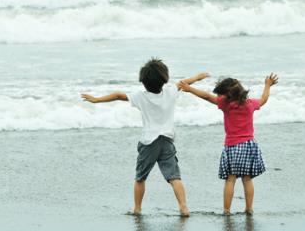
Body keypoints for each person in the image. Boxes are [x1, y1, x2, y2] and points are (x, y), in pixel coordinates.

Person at [81, 58, 209, 217]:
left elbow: (118, 95)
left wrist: (97, 99)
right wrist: (197, 77)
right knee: (174, 177)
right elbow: (183, 83)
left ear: (143, 82)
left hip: (149, 142)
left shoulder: (140, 96)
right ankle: (183, 207)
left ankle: (137, 208)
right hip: (167, 140)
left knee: (140, 178)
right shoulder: (170, 91)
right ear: (165, 79)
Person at [179, 74, 278, 215]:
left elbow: (207, 96)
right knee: (247, 179)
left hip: (232, 146)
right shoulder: (250, 104)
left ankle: (226, 210)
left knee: (230, 179)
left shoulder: (226, 104)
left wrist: (189, 89)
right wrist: (267, 85)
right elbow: (263, 99)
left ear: (226, 95)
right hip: (249, 145)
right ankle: (249, 208)